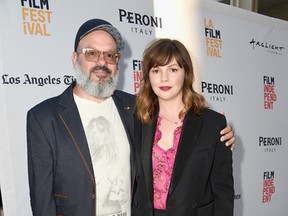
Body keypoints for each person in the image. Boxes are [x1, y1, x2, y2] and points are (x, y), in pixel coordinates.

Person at [26, 19, 235, 216]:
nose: (102, 62)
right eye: (91, 53)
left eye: (110, 55)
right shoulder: (43, 118)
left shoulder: (134, 108)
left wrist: (222, 136)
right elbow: (42, 199)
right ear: (75, 58)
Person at [133, 38, 234, 216]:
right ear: (148, 76)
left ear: (185, 73)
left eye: (172, 70)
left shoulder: (212, 124)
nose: (164, 78)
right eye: (156, 70)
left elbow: (222, 190)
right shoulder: (138, 120)